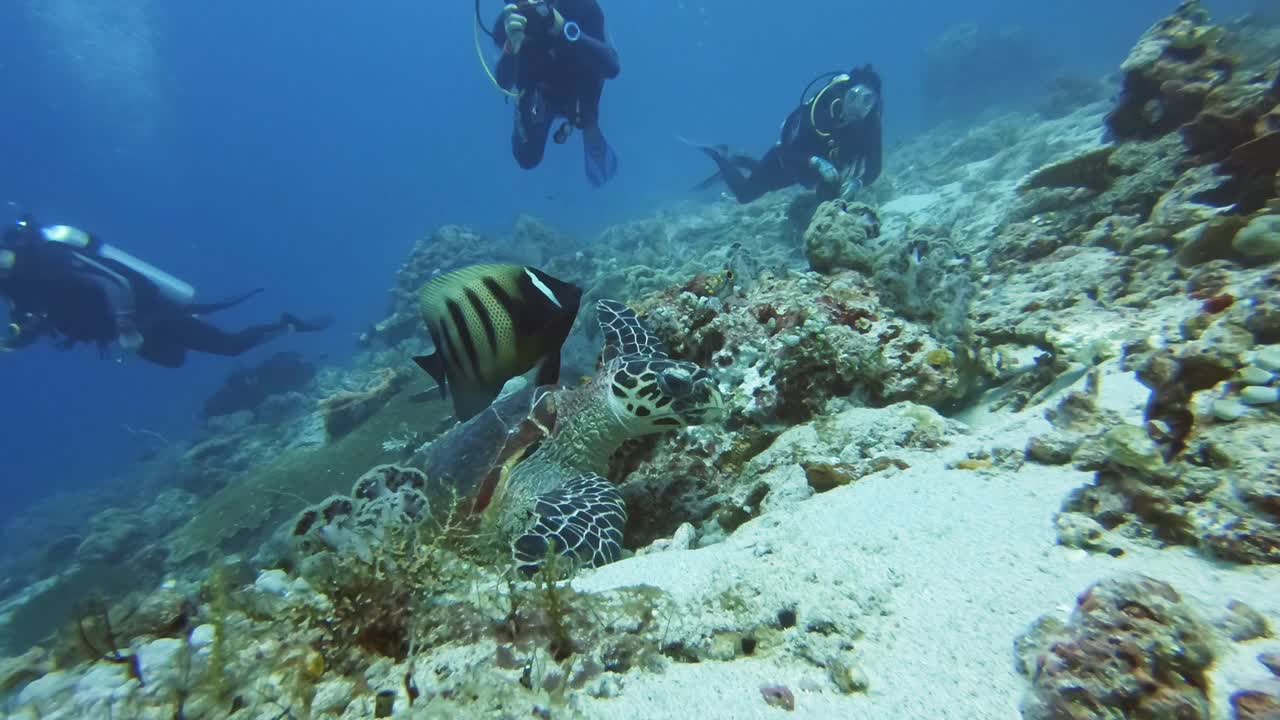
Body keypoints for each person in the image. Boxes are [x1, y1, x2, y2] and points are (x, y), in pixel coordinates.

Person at [0, 216, 331, 367]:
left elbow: (114, 282)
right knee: (174, 360)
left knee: (230, 347)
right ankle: (191, 318)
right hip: (124, 329)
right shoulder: (15, 284)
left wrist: (127, 327)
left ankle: (289, 325)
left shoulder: (48, 258)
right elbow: (30, 318)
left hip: (145, 314)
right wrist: (17, 336)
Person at [694, 65, 883, 204]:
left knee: (833, 202)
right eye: (853, 97)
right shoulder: (819, 114)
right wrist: (815, 161)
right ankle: (721, 156)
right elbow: (787, 152)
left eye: (867, 100)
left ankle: (742, 160)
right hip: (786, 161)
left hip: (814, 176)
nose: (856, 107)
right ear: (844, 94)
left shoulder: (870, 128)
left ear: (874, 105)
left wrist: (858, 183)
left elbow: (874, 167)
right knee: (745, 194)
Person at [489, 0, 620, 186]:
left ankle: (589, 122)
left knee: (586, 115)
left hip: (580, 94)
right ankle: (585, 122)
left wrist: (563, 28)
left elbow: (611, 67)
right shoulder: (508, 24)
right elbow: (504, 83)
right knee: (527, 157)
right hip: (539, 96)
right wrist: (510, 48)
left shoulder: (581, 6)